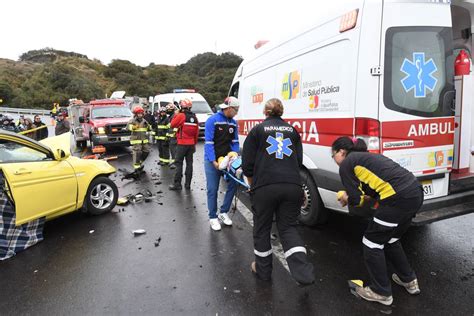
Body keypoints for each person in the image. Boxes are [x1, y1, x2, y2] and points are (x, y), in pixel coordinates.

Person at [332, 136, 423, 306]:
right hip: (415, 193)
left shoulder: (347, 163)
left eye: (333, 155)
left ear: (341, 152)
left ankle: (381, 292)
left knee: (371, 243)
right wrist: (356, 197)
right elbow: (369, 194)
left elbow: (356, 199)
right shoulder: (368, 158)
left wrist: (343, 196)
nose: (334, 160)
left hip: (396, 199)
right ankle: (409, 280)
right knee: (391, 239)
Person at [242, 98, 315, 286]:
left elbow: (247, 164)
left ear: (265, 112)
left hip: (265, 187)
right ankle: (304, 274)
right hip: (292, 186)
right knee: (289, 228)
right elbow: (298, 161)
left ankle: (263, 271)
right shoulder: (292, 131)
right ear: (281, 112)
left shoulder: (257, 130)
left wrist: (252, 184)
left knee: (262, 228)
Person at [204, 96, 240, 231]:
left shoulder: (233, 123)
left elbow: (235, 142)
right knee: (212, 188)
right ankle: (213, 217)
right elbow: (208, 143)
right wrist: (213, 161)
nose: (236, 112)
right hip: (212, 160)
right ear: (229, 108)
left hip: (228, 159)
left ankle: (223, 212)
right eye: (236, 110)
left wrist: (234, 156)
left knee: (233, 184)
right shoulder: (212, 120)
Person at [168, 99, 199, 190]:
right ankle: (188, 184)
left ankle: (177, 184)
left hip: (182, 144)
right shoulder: (194, 118)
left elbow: (172, 124)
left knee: (178, 163)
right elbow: (196, 133)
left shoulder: (181, 115)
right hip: (191, 144)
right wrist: (194, 144)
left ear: (182, 107)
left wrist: (176, 114)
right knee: (189, 164)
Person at [127, 106, 152, 174]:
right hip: (136, 141)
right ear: (136, 114)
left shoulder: (144, 121)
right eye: (138, 113)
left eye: (141, 113)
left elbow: (149, 128)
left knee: (147, 151)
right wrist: (133, 127)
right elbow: (127, 127)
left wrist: (149, 126)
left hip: (144, 141)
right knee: (137, 153)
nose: (140, 115)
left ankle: (139, 162)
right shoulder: (132, 121)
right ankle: (137, 169)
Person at [166, 103, 178, 169]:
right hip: (171, 136)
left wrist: (174, 134)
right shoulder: (170, 117)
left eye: (168, 109)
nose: (167, 111)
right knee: (172, 149)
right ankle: (174, 162)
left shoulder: (174, 116)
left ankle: (176, 163)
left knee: (174, 150)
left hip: (174, 137)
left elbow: (175, 127)